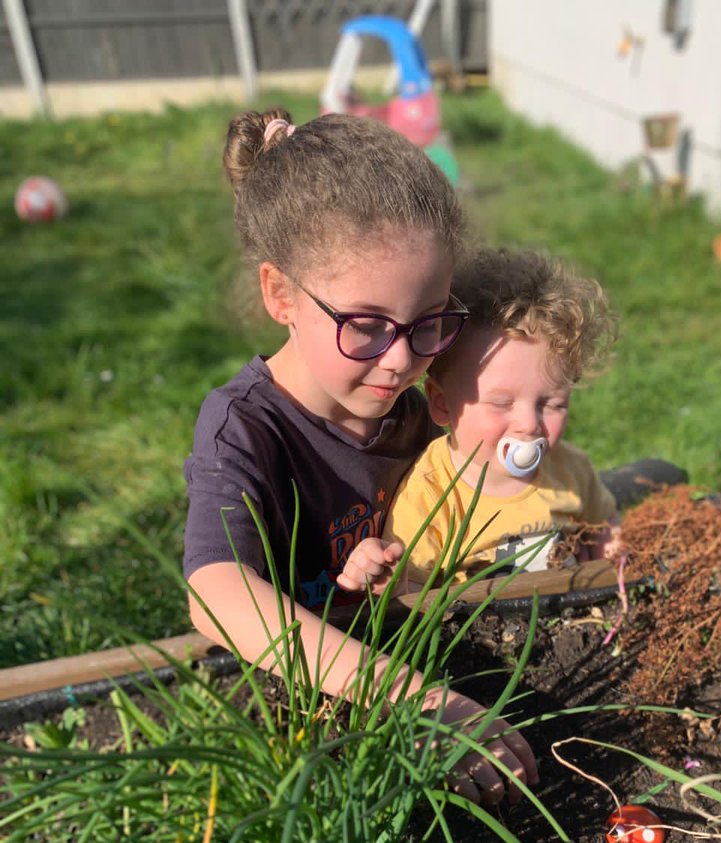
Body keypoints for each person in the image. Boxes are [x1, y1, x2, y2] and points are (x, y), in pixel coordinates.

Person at [183, 109, 536, 802]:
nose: (402, 359)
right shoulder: (245, 429)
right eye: (366, 326)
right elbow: (215, 593)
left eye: (429, 319)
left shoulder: (414, 411)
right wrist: (415, 700)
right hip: (309, 699)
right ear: (280, 295)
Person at [336, 246, 621, 592]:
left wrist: (615, 558)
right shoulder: (433, 493)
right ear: (441, 404)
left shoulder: (571, 470)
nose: (529, 424)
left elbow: (605, 526)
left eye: (551, 403)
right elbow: (412, 591)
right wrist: (385, 578)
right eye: (502, 403)